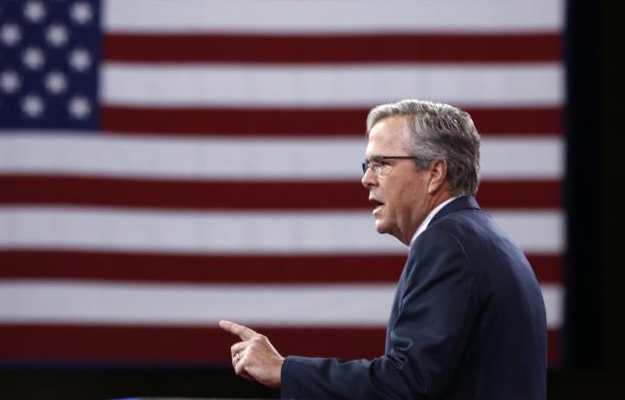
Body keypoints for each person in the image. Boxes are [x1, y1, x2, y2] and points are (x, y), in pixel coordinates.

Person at [220, 99, 547, 399]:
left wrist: (285, 369)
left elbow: (407, 383)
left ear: (435, 173)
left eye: (382, 163)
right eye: (367, 165)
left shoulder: (446, 244)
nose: (367, 180)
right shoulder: (485, 238)